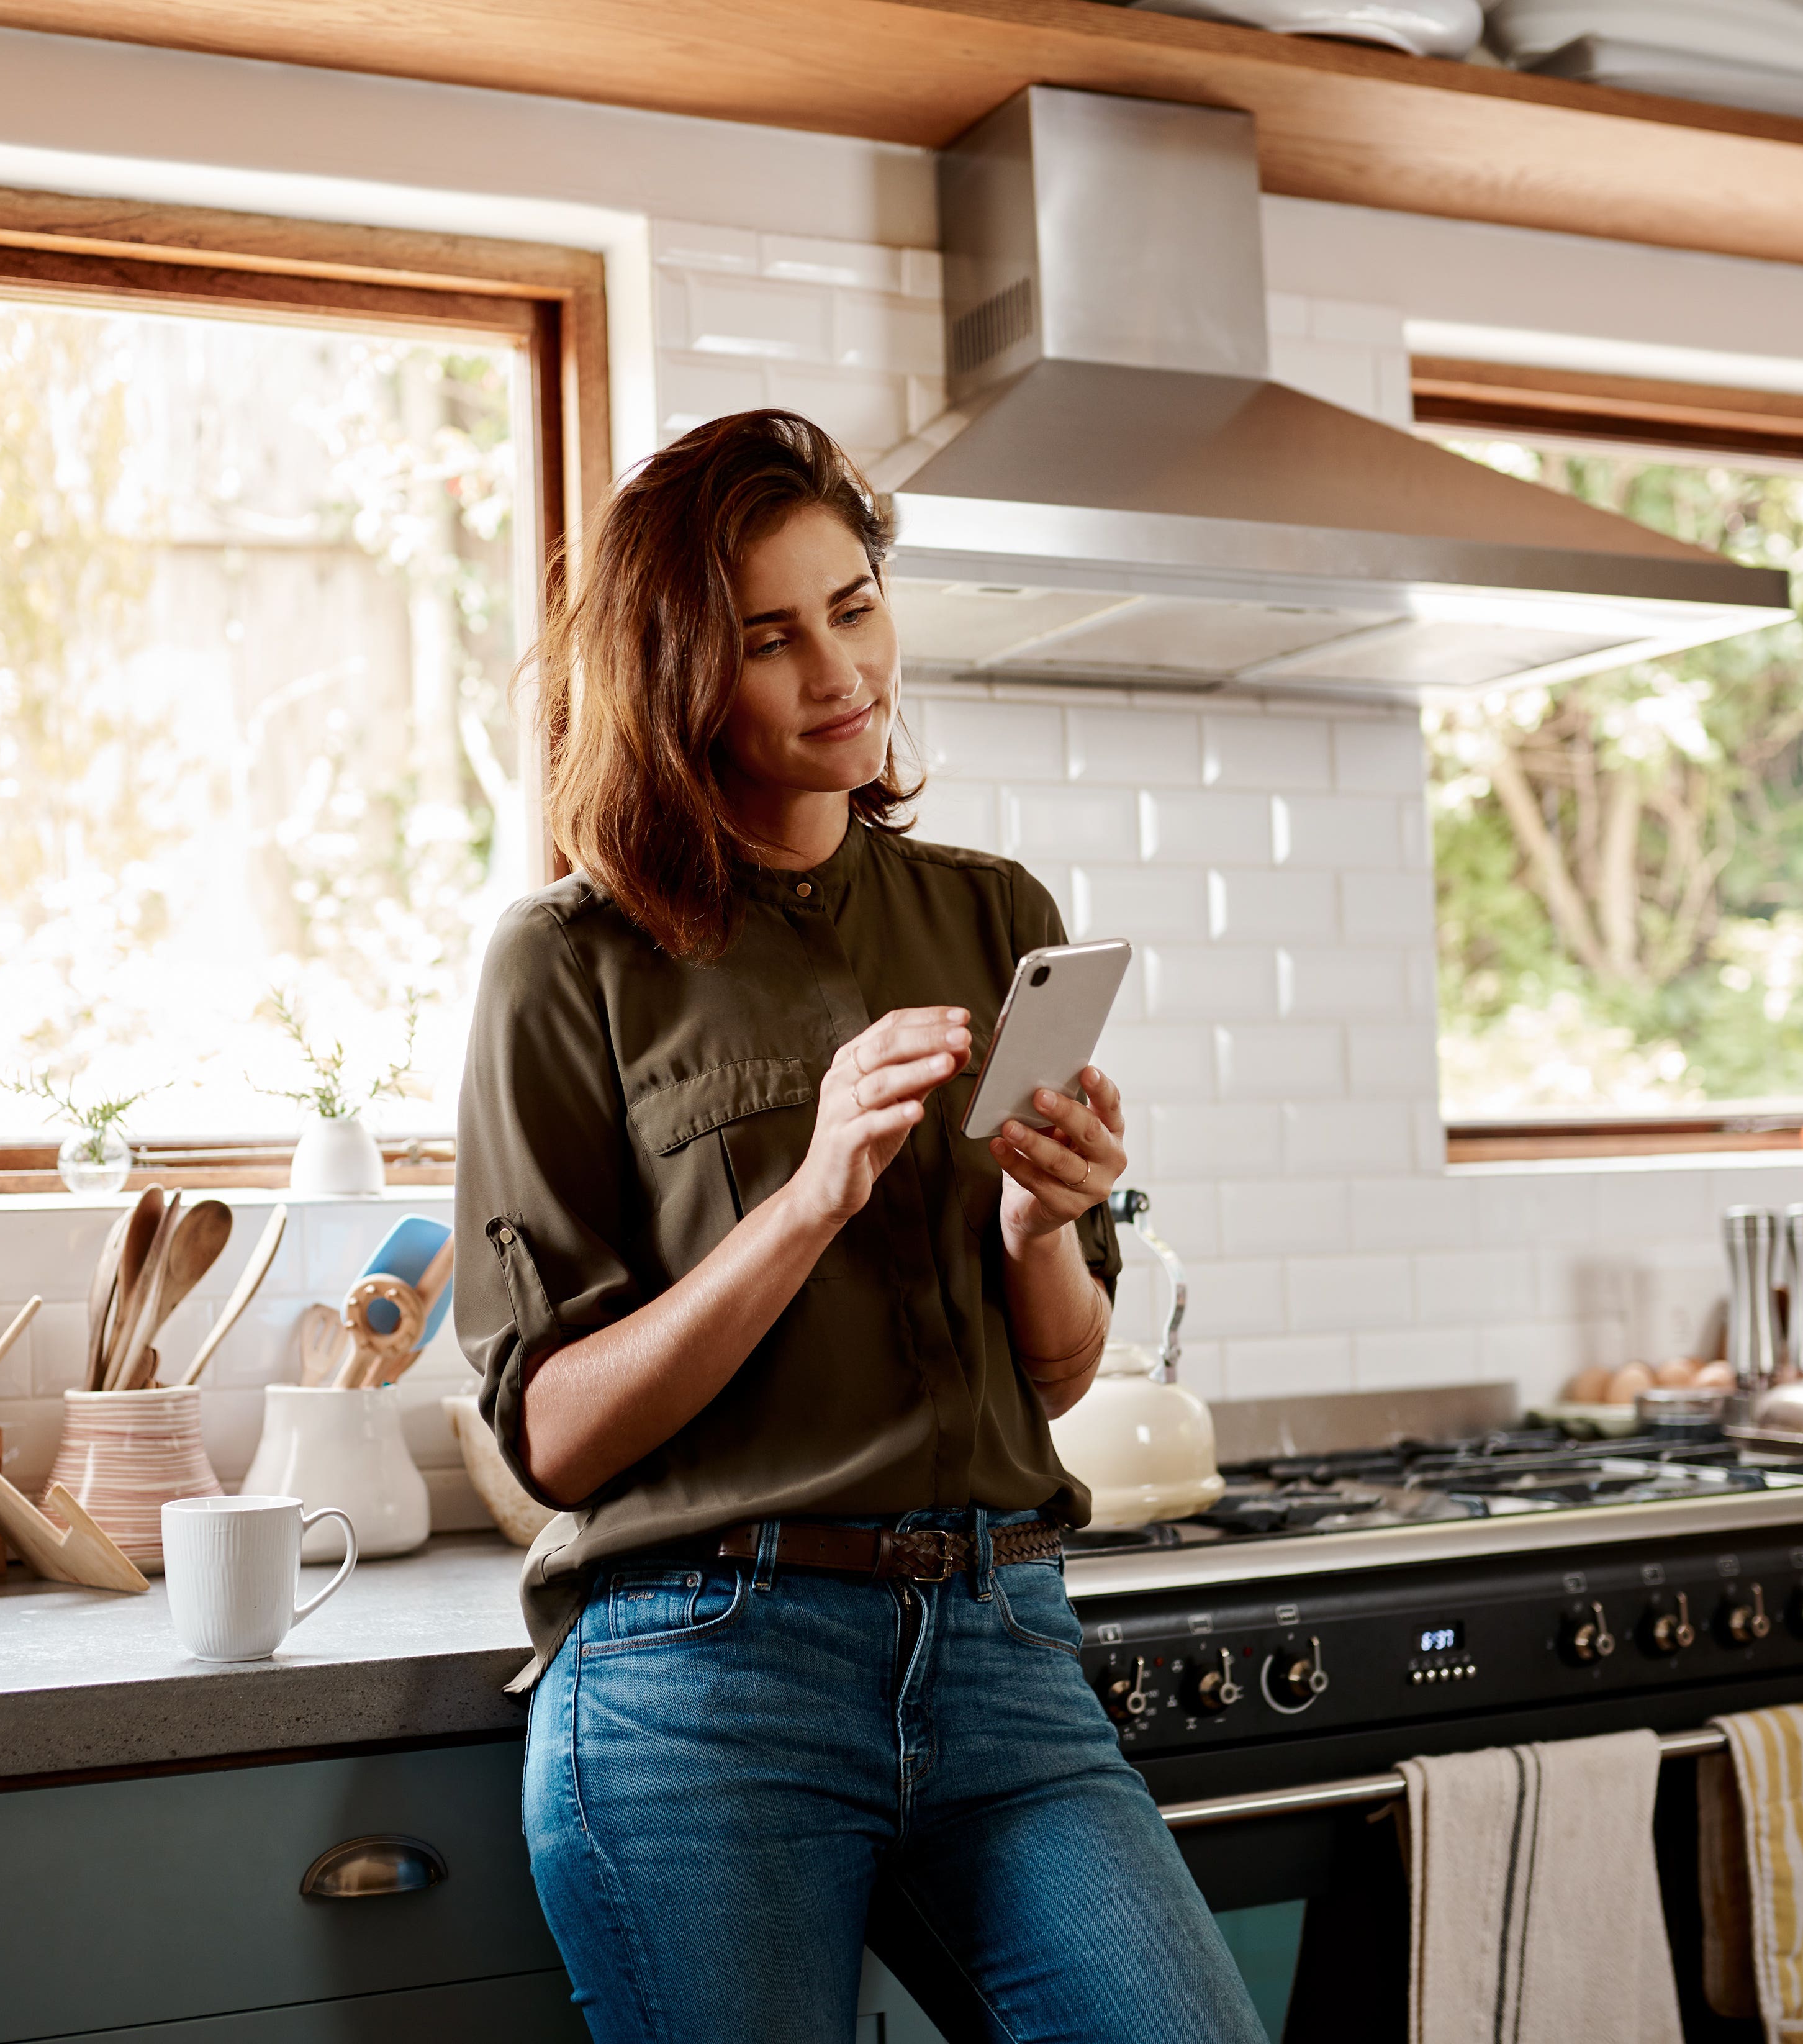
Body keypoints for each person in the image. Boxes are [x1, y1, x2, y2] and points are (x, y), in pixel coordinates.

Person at [453, 409, 1267, 2044]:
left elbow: (1046, 1377)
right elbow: (554, 1432)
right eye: (770, 636)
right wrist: (809, 1195)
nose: (841, 667)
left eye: (854, 604)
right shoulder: (566, 960)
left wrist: (1046, 1222)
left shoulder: (990, 916)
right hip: (702, 1675)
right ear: (682, 668)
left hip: (999, 1648)